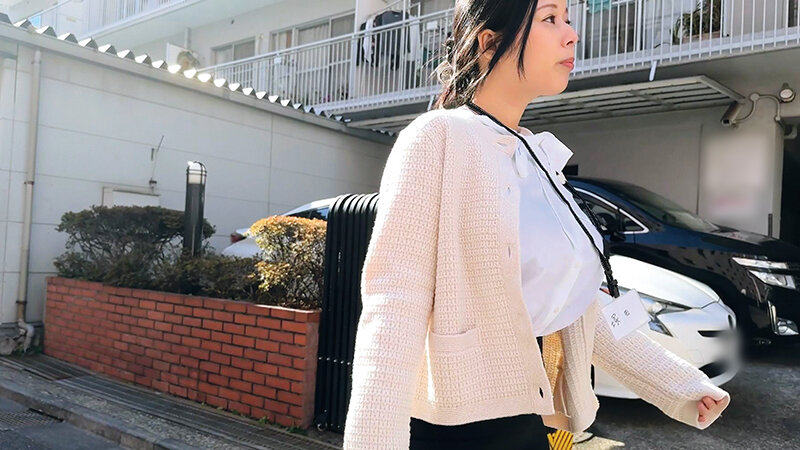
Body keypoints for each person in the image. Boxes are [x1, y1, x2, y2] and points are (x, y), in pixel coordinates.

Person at [342, 1, 731, 449]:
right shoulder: (437, 138)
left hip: (527, 422)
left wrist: (681, 386)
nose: (571, 34)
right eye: (550, 18)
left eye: (567, 18)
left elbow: (579, 307)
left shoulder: (538, 159)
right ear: (489, 43)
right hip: (453, 430)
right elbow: (394, 305)